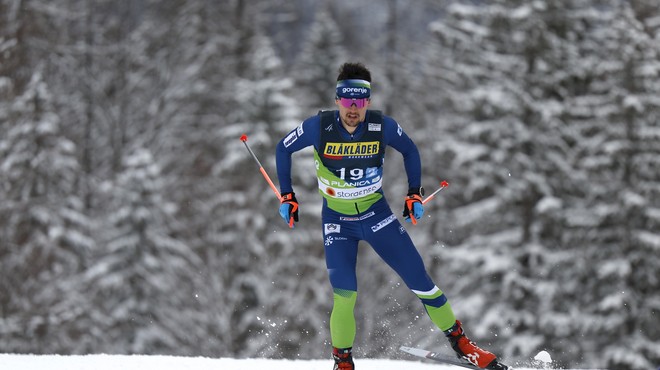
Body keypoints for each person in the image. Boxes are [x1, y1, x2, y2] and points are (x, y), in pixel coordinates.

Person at [275, 62, 507, 370]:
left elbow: (410, 150)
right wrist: (288, 195)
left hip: (377, 216)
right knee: (344, 294)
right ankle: (342, 362)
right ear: (337, 99)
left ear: (368, 100)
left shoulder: (381, 126)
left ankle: (463, 345)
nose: (353, 107)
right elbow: (283, 149)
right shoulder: (319, 127)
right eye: (347, 98)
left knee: (421, 282)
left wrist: (414, 193)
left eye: (360, 99)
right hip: (338, 223)